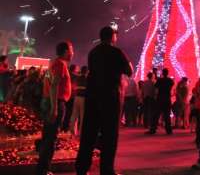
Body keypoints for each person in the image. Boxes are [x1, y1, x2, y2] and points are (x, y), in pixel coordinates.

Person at [75, 25, 132, 175]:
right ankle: (107, 170)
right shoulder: (116, 52)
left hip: (93, 97)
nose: (117, 37)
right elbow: (129, 71)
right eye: (115, 34)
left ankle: (81, 168)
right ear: (112, 36)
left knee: (88, 133)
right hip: (110, 98)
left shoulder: (93, 52)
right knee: (110, 135)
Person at [36, 41, 74, 175]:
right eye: (71, 50)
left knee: (47, 136)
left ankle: (42, 168)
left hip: (49, 101)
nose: (72, 53)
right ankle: (44, 170)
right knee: (51, 137)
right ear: (65, 51)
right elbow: (54, 86)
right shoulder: (60, 64)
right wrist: (54, 108)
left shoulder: (53, 63)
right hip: (56, 102)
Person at [148, 68, 174, 135]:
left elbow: (156, 86)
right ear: (167, 73)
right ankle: (169, 130)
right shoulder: (170, 80)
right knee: (167, 115)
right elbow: (171, 85)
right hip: (167, 98)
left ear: (162, 73)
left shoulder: (160, 80)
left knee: (156, 115)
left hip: (160, 99)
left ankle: (153, 129)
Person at [69, 65, 88, 137]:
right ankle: (81, 133)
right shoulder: (87, 79)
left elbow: (74, 87)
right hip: (83, 98)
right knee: (82, 116)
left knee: (74, 115)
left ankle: (72, 131)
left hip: (76, 97)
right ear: (86, 71)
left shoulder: (77, 78)